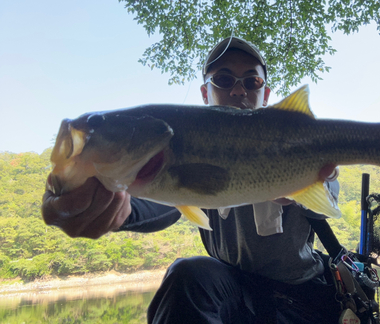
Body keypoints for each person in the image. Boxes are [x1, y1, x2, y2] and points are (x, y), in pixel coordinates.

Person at [42, 37, 342, 323]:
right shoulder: (179, 150)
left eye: (252, 81)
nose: (239, 91)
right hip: (231, 295)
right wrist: (105, 204)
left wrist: (317, 180)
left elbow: (326, 197)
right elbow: (155, 204)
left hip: (303, 298)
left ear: (265, 94)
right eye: (224, 80)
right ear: (205, 93)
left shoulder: (298, 146)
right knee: (188, 275)